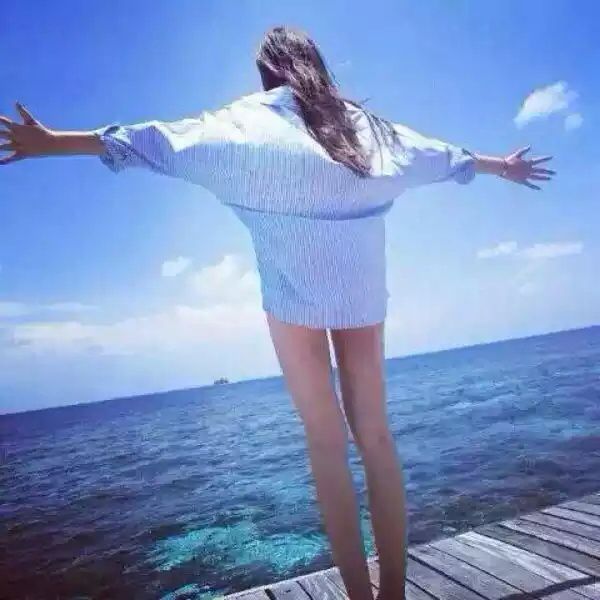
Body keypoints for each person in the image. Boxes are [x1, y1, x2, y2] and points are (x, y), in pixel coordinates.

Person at [0, 25, 554, 600]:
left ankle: (359, 595)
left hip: (293, 298)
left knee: (325, 443)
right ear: (316, 64)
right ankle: (393, 592)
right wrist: (501, 166)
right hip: (361, 292)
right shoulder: (367, 128)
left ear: (266, 72)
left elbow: (157, 141)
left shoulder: (244, 124)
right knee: (376, 438)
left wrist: (54, 142)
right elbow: (440, 157)